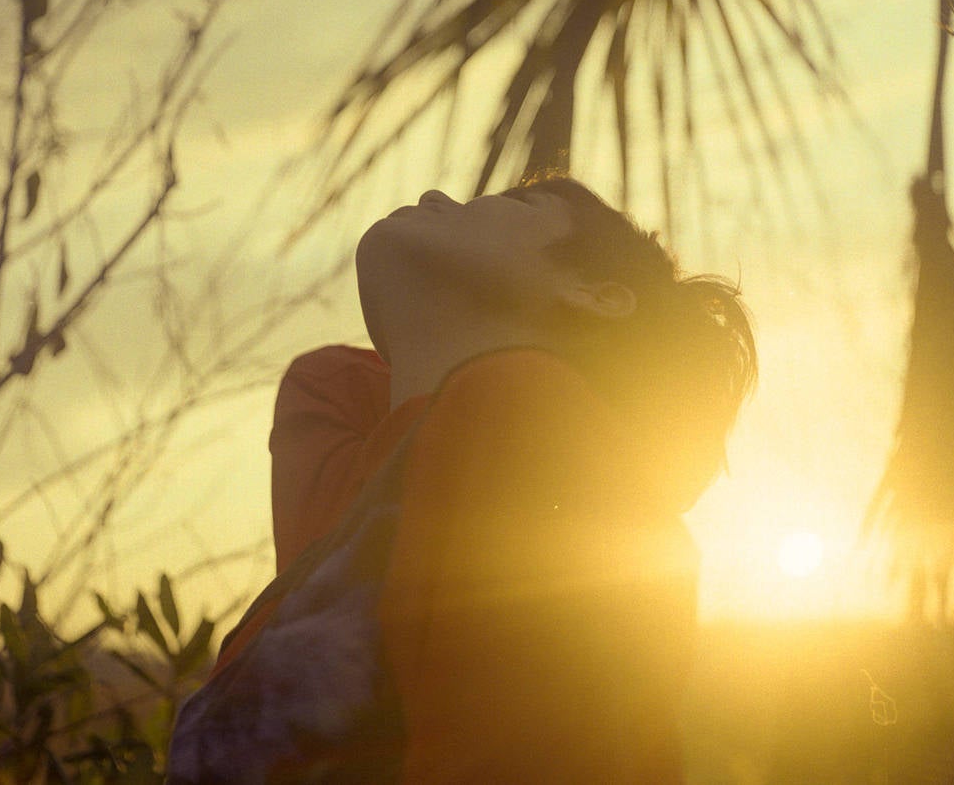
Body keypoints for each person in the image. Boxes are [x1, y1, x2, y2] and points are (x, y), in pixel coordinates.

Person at [168, 175, 756, 785]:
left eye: (516, 203)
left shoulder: (530, 422)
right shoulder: (359, 516)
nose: (439, 196)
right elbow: (331, 396)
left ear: (598, 294)